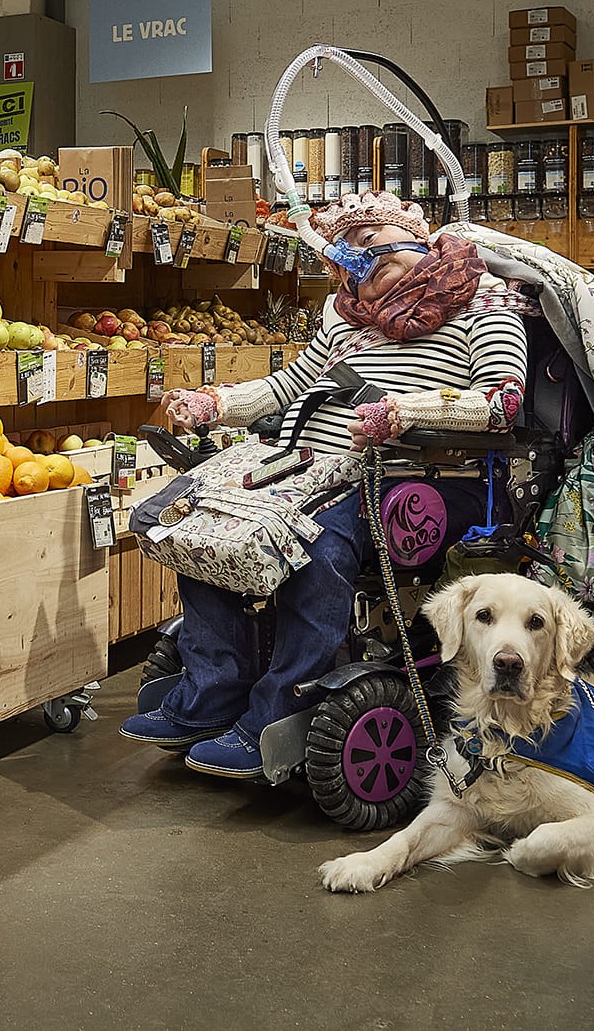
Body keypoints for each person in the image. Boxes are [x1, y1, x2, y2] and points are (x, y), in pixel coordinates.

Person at [121, 191, 530, 779]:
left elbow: (501, 403)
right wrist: (216, 402)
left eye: (371, 243)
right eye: (346, 258)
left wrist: (406, 413)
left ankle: (276, 710)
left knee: (316, 547)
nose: (359, 261)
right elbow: (287, 385)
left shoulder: (482, 307)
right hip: (313, 468)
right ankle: (215, 689)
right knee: (197, 525)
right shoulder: (346, 324)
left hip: (421, 478)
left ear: (416, 237)